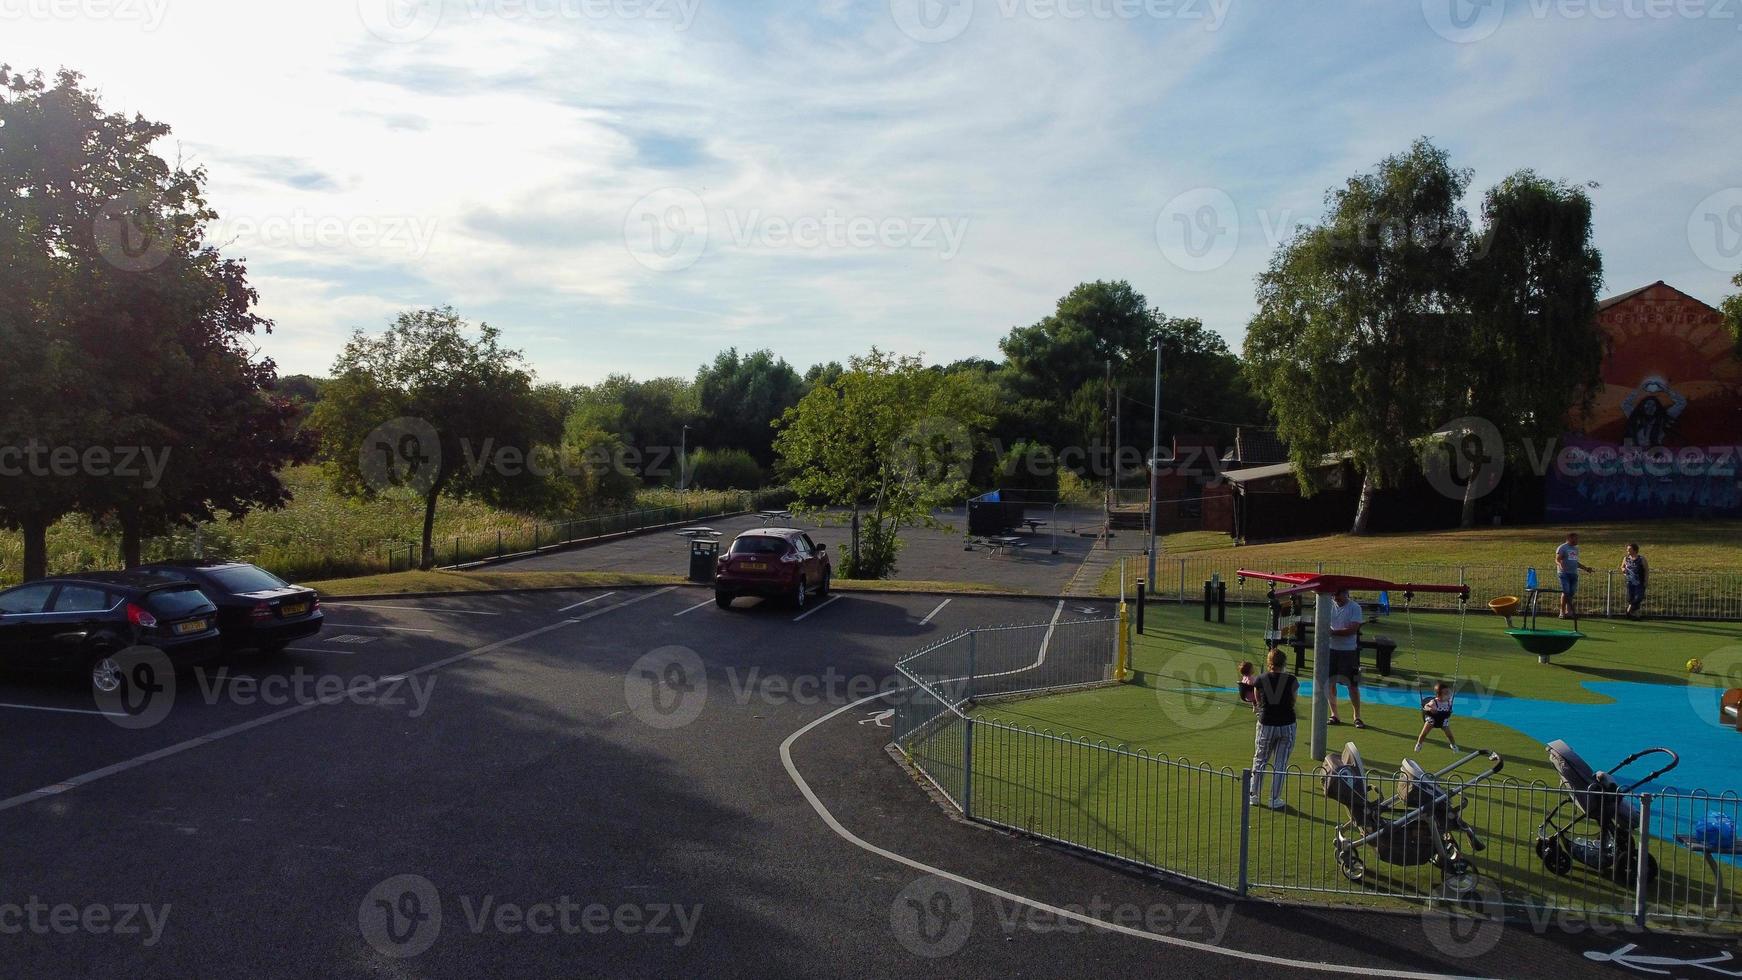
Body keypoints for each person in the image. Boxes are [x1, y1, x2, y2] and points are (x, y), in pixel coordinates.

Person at [1249, 647, 1298, 811]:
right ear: (1284, 663)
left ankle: (1253, 795)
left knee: (1260, 759)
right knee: (1280, 762)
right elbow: (1293, 701)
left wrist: (1259, 708)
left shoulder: (1261, 679)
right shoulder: (1291, 680)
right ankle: (1274, 798)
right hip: (1286, 724)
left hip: (1266, 723)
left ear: (1269, 663)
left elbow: (1257, 701)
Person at [1325, 587, 1365, 729]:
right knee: (1330, 683)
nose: (1336, 598)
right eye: (1334, 595)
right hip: (1330, 650)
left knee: (1352, 685)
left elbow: (1353, 629)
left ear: (1345, 593)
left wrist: (1333, 632)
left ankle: (1357, 716)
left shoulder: (1355, 608)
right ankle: (1334, 714)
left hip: (1348, 651)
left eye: (1338, 595)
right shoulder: (1328, 605)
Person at [1554, 532, 1593, 618]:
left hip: (1573, 573)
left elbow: (1575, 562)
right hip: (1563, 573)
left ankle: (1569, 612)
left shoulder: (1576, 549)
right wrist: (1560, 565)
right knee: (1566, 591)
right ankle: (1562, 612)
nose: (1577, 540)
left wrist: (1585, 568)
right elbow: (1557, 559)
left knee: (1571, 593)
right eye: (1575, 538)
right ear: (1570, 539)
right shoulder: (1562, 547)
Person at [1414, 681, 1459, 753]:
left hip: (1443, 720)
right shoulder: (1434, 702)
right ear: (1439, 696)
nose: (1448, 695)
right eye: (1446, 694)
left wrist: (1449, 711)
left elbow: (1449, 709)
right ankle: (1419, 744)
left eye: (1448, 693)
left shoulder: (1448, 702)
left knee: (1449, 735)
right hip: (1432, 719)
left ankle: (1453, 745)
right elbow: (1426, 706)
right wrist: (1430, 709)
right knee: (1424, 733)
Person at [1622, 543, 1649, 619]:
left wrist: (1646, 580)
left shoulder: (1641, 559)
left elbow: (1646, 570)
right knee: (1631, 598)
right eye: (1627, 550)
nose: (1628, 551)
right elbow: (1622, 567)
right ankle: (1636, 615)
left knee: (1638, 597)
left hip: (1639, 582)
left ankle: (1628, 610)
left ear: (1635, 550)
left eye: (1629, 549)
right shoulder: (1626, 558)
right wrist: (1624, 570)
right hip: (1630, 582)